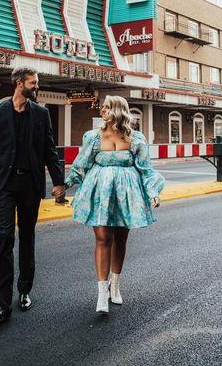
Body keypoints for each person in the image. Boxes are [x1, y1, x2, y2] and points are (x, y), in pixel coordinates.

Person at [65, 95, 164, 314]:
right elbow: (80, 164)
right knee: (102, 238)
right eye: (102, 107)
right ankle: (101, 292)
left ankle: (115, 285)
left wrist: (153, 191)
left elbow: (146, 170)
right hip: (100, 192)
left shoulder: (136, 139)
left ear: (118, 111)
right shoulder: (93, 137)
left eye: (107, 107)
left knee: (120, 239)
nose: (102, 110)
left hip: (126, 194)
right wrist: (66, 183)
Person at [0, 66, 65, 322]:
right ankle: (1, 303)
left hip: (30, 185)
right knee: (5, 237)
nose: (36, 86)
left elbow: (50, 150)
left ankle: (24, 290)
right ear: (19, 84)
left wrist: (59, 182)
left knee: (27, 238)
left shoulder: (41, 114)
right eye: (33, 83)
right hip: (5, 185)